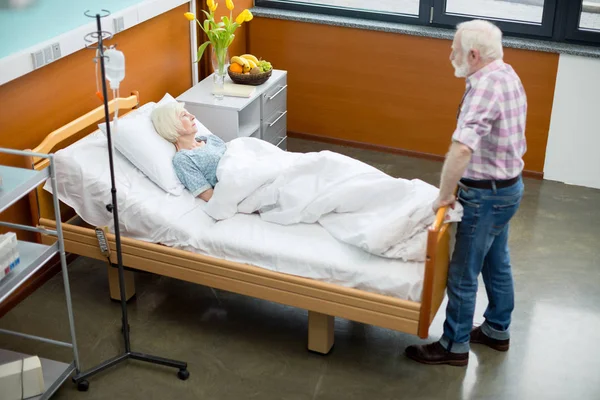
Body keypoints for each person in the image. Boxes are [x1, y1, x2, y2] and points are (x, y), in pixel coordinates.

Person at [405, 19, 527, 366]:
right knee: (496, 261)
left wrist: (444, 196)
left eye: (454, 49)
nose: (450, 54)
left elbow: (462, 149)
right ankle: (496, 331)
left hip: (486, 195)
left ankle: (453, 346)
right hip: (508, 188)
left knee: (463, 271)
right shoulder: (506, 74)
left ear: (473, 54)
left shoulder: (486, 87)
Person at [151, 102, 226, 202]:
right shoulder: (183, 159)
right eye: (184, 115)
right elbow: (208, 195)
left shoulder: (210, 138)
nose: (192, 116)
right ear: (172, 126)